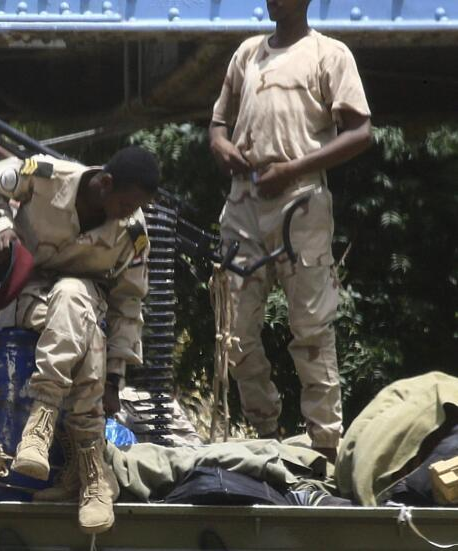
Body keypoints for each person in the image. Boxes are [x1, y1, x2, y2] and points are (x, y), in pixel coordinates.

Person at [209, 0, 372, 461]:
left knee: (312, 326)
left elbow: (361, 131)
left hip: (299, 198)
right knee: (234, 328)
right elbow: (218, 124)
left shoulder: (329, 53)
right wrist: (221, 146)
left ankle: (324, 443)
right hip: (243, 199)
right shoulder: (246, 53)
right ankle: (263, 431)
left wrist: (294, 167)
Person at [0, 146, 159, 533]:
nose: (130, 213)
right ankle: (91, 470)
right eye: (125, 203)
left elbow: (129, 304)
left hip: (89, 302)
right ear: (105, 183)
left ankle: (42, 422)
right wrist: (2, 227)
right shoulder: (45, 177)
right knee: (79, 318)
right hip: (32, 294)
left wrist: (115, 378)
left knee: (76, 298)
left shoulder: (133, 232)